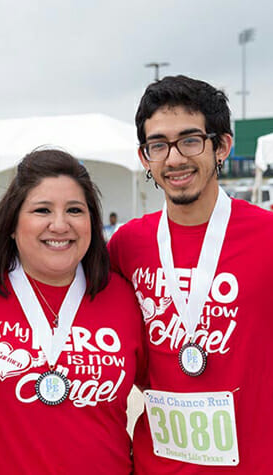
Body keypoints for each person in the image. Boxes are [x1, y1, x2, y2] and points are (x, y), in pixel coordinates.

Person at [108, 75, 273, 473]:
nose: (175, 158)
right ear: (145, 157)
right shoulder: (127, 246)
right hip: (156, 465)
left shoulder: (267, 237)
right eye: (158, 145)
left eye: (190, 140)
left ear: (223, 146)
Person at [0, 149, 146, 474]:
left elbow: (166, 383)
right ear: (12, 224)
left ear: (91, 222)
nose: (59, 224)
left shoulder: (123, 296)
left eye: (74, 210)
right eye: (42, 210)